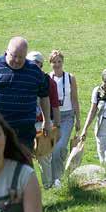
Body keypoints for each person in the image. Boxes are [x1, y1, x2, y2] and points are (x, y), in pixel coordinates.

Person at [0, 37, 51, 152]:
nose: (17, 60)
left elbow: (44, 96)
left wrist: (46, 121)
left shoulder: (35, 71)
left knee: (21, 167)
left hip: (24, 132)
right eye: (14, 56)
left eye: (21, 57)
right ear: (7, 51)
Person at [27, 50, 61, 188]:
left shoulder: (49, 82)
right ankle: (29, 187)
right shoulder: (22, 80)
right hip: (26, 123)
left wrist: (56, 127)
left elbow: (55, 106)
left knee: (44, 157)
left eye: (36, 64)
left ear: (41, 65)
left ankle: (48, 185)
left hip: (43, 123)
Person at [48, 50, 80, 187]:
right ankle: (55, 177)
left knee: (58, 147)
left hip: (67, 116)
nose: (57, 65)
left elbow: (74, 99)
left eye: (59, 62)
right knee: (53, 149)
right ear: (50, 64)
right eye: (54, 62)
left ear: (63, 62)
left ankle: (57, 179)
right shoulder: (48, 78)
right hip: (52, 116)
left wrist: (78, 119)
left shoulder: (70, 78)